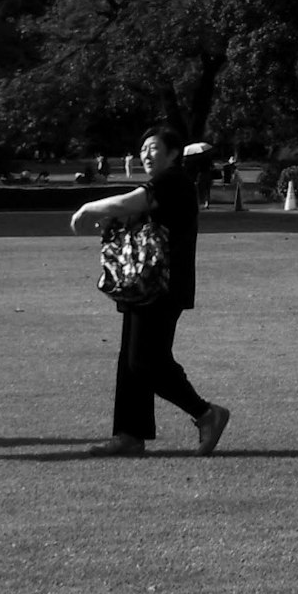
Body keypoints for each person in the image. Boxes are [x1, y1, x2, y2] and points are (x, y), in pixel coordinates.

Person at [71, 127, 231, 457]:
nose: (146, 154)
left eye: (153, 148)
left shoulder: (174, 180)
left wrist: (90, 208)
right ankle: (130, 434)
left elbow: (137, 201)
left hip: (163, 285)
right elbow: (137, 211)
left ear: (173, 153)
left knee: (146, 361)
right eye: (142, 149)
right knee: (131, 362)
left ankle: (206, 413)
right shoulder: (167, 184)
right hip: (144, 282)